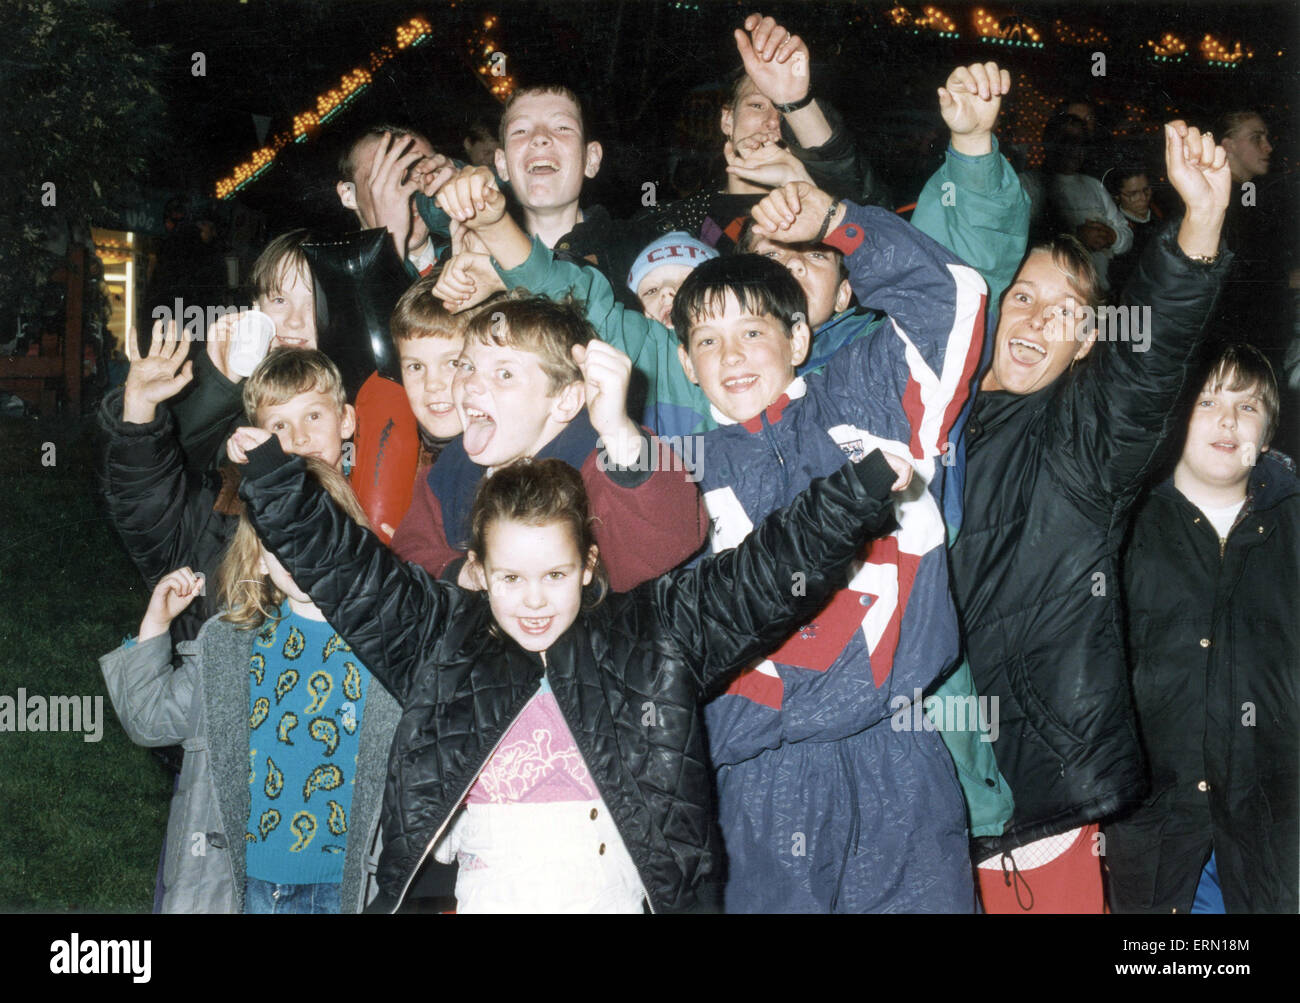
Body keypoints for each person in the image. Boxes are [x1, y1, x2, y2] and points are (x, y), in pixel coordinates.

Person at [228, 429, 913, 912]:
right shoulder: (440, 639)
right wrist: (270, 475)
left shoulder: (656, 636)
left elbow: (762, 578)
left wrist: (860, 493)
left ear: (588, 564)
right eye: (511, 576)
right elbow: (349, 567)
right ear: (479, 570)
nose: (532, 599)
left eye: (555, 574)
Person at [668, 173, 986, 911]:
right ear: (685, 362)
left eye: (754, 329)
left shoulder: (866, 396)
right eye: (707, 339)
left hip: (898, 760)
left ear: (800, 334)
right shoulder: (672, 485)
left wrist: (842, 220)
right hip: (755, 781)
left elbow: (955, 300)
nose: (733, 353)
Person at [949, 121, 1233, 912]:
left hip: (1033, 794)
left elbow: (1145, 371)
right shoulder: (924, 420)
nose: (1039, 319)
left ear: (1085, 347)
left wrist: (1199, 225)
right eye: (1024, 296)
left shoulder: (1080, 439)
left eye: (1068, 312)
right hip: (918, 794)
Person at [99, 459, 400, 913]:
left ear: (349, 542)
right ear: (259, 555)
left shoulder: (386, 647)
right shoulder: (231, 643)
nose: (299, 555)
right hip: (241, 886)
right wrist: (155, 624)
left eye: (317, 535)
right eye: (281, 540)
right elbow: (150, 720)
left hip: (347, 890)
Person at [1107, 342, 1298, 914]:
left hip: (1271, 819)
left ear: (1266, 434)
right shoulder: (1121, 523)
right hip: (1156, 820)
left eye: (1248, 407)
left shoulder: (1293, 524)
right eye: (1207, 401)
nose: (1228, 420)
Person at [389, 293, 707, 592]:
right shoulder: (455, 465)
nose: (470, 384)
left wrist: (618, 432)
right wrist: (460, 572)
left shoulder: (598, 462)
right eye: (468, 366)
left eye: (504, 374)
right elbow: (410, 549)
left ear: (565, 400)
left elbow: (672, 537)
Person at [98, 329, 357, 644]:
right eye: (279, 425)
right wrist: (139, 408)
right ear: (253, 436)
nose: (299, 438)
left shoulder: (375, 506)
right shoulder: (222, 503)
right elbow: (145, 503)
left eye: (313, 416)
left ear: (345, 420)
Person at [640, 12, 879, 254]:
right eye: (757, 105)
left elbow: (873, 226)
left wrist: (795, 102)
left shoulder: (829, 222)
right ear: (727, 120)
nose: (772, 122)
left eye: (785, 113)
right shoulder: (668, 222)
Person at [336, 124, 454, 277]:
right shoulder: (337, 281)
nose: (409, 190)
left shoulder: (467, 246)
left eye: (422, 172)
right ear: (348, 195)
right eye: (385, 178)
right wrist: (391, 243)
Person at [1103, 165, 1163, 295]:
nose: (1143, 197)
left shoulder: (1162, 213)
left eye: (1146, 190)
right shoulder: (1117, 234)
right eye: (1133, 194)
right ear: (1117, 197)